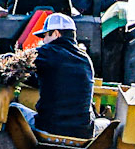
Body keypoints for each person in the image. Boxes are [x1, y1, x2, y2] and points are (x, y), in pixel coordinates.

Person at [23, 12, 97, 140]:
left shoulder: (48, 52)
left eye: (45, 36)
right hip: (83, 133)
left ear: (56, 34)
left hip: (50, 128)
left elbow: (16, 60)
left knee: (13, 108)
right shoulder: (86, 60)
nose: (43, 41)